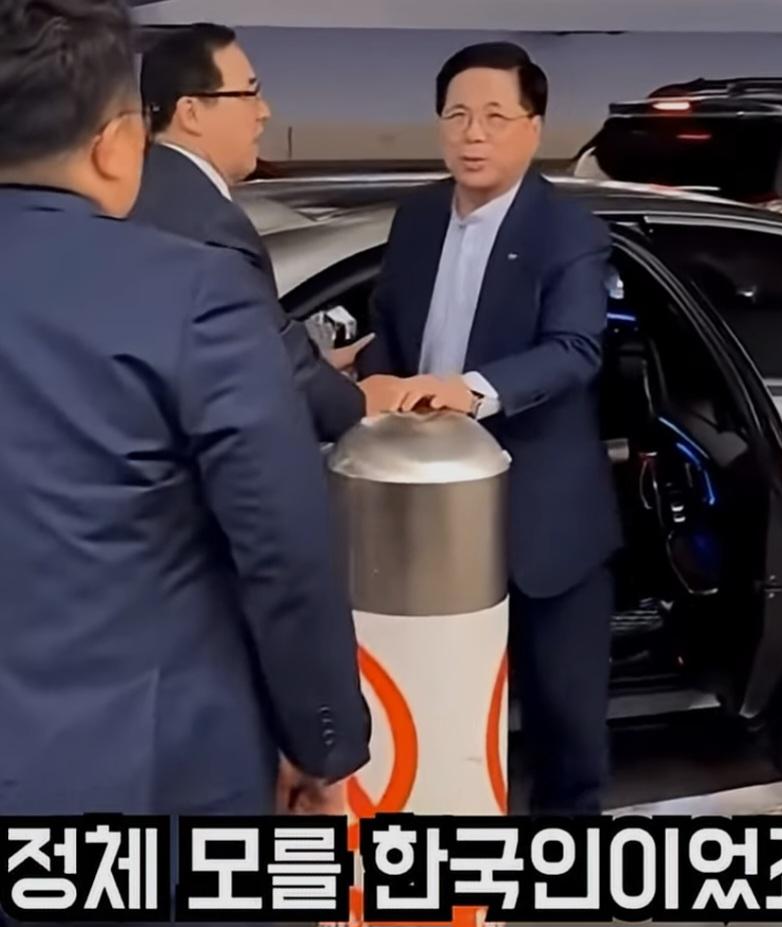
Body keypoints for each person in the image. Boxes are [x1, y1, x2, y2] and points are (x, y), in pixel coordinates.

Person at [0, 0, 369, 817]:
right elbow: (282, 543)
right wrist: (321, 743)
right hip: (156, 768)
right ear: (115, 143)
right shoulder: (195, 291)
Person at [358, 42, 622, 814]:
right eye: (458, 115)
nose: (473, 134)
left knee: (565, 728)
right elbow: (388, 331)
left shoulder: (567, 230)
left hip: (542, 524)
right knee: (437, 712)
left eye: (496, 117)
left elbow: (574, 351)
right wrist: (369, 376)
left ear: (533, 127)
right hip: (425, 517)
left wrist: (468, 392)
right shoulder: (414, 218)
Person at [131, 23, 403, 442]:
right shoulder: (208, 224)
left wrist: (319, 366)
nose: (264, 111)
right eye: (249, 93)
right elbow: (270, 365)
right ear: (191, 112)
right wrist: (360, 402)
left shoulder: (149, 191)